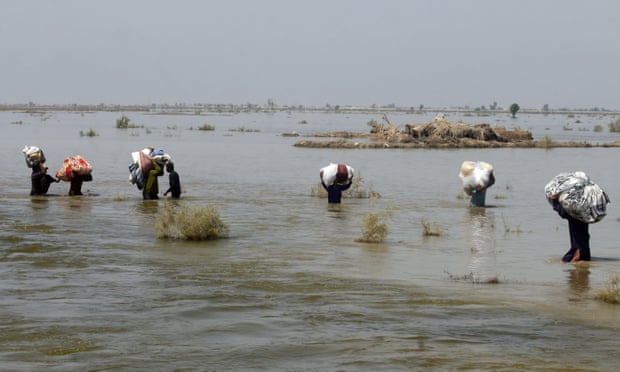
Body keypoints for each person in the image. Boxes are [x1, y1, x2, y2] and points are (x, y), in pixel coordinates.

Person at [552, 195, 590, 262]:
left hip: (577, 250)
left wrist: (555, 202)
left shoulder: (574, 214)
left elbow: (563, 213)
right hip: (585, 250)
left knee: (564, 262)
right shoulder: (585, 213)